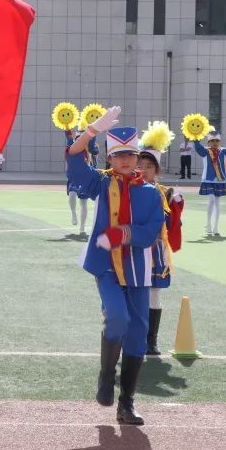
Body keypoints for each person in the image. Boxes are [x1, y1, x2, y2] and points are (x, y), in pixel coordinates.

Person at [66, 107, 163, 426]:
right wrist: (91, 131)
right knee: (118, 319)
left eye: (130, 155)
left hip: (138, 270)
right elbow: (75, 158)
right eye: (118, 154)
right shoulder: (101, 184)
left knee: (138, 335)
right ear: (109, 158)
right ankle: (106, 378)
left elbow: (151, 231)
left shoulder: (151, 192)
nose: (125, 160)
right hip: (107, 267)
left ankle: (127, 403)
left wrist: (120, 234)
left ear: (138, 157)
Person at [136, 129, 184, 357]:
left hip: (155, 250)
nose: (144, 171)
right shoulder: (129, 189)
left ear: (157, 170)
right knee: (135, 293)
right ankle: (134, 337)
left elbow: (172, 224)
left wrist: (176, 207)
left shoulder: (166, 192)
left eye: (149, 167)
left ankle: (151, 341)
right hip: (134, 249)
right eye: (141, 166)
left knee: (154, 293)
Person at [193, 129, 226, 236]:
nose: (215, 143)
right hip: (208, 179)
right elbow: (197, 146)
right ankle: (208, 223)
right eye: (212, 141)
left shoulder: (224, 151)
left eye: (217, 140)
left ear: (220, 141)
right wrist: (195, 135)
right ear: (208, 142)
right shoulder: (205, 151)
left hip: (220, 180)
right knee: (212, 199)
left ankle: (216, 226)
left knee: (217, 202)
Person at [66, 127, 100, 235]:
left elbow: (94, 147)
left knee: (83, 203)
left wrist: (94, 129)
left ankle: (82, 227)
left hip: (86, 177)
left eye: (83, 138)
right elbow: (68, 136)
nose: (80, 140)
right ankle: (73, 214)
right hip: (74, 177)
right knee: (72, 194)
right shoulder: (73, 147)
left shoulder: (90, 149)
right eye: (78, 138)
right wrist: (67, 126)